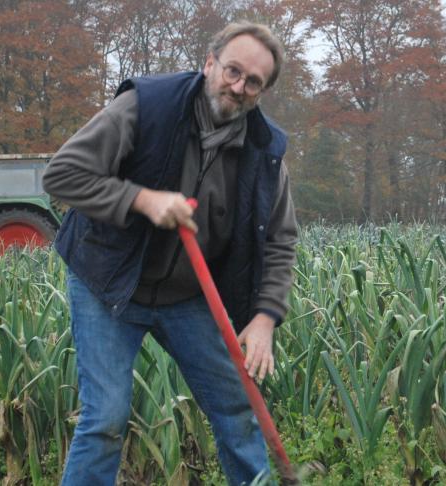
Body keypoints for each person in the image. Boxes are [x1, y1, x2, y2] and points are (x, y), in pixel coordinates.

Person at [42, 21, 298, 485]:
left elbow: (280, 238)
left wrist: (264, 318)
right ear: (209, 64)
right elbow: (62, 175)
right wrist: (142, 200)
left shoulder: (265, 151)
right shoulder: (147, 106)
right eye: (232, 71)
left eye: (253, 82)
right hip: (109, 283)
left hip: (188, 296)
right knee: (106, 419)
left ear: (263, 92)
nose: (238, 87)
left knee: (235, 406)